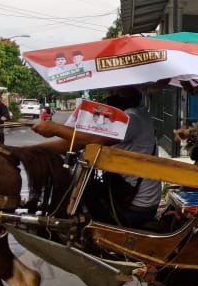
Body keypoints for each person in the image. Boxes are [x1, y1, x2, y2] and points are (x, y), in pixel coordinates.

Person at [32, 86, 162, 228]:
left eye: (118, 91)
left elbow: (92, 139)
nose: (112, 95)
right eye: (110, 91)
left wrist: (55, 129)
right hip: (128, 194)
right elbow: (74, 144)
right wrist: (30, 151)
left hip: (135, 205)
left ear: (135, 92)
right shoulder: (132, 115)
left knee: (78, 215)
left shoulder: (133, 118)